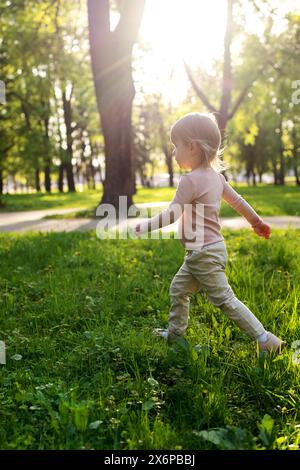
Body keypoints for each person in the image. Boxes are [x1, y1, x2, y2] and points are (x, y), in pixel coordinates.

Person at [134, 112, 286, 355]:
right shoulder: (217, 178)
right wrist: (256, 222)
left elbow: (173, 213)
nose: (174, 152)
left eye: (176, 146)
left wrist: (146, 225)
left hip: (203, 254)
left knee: (225, 300)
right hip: (205, 252)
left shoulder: (190, 180)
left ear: (192, 147)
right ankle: (174, 335)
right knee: (179, 290)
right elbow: (238, 201)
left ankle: (265, 338)